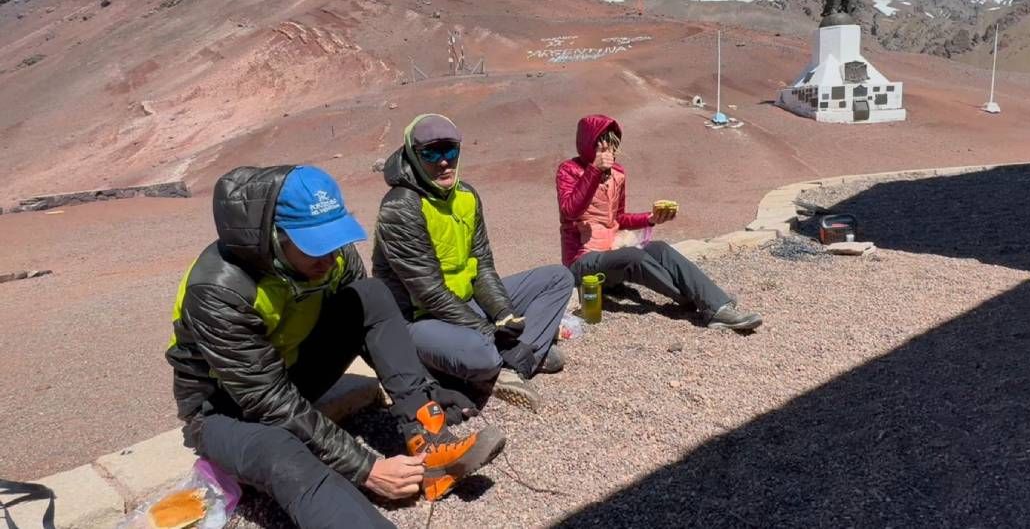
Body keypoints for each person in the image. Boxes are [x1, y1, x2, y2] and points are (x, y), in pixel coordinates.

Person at [166, 165, 506, 528]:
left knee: (371, 295)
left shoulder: (332, 255)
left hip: (290, 372)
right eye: (315, 247)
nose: (330, 259)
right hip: (226, 410)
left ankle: (429, 442)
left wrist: (424, 392)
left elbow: (372, 325)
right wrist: (368, 468)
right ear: (274, 235)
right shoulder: (219, 289)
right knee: (281, 451)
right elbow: (269, 403)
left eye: (333, 241)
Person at [373, 114, 573, 412]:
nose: (444, 162)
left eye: (450, 150)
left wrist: (503, 313)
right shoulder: (400, 207)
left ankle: (515, 361)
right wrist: (491, 332)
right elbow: (428, 293)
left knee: (558, 278)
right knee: (483, 354)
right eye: (431, 153)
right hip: (421, 318)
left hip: (466, 303)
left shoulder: (466, 195)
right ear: (414, 156)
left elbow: (482, 266)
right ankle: (511, 359)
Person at [556, 114, 763, 331]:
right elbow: (570, 211)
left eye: (613, 146)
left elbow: (618, 218)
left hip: (612, 249)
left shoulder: (617, 173)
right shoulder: (568, 170)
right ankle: (705, 301)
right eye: (603, 146)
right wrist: (594, 171)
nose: (610, 153)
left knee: (661, 248)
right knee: (634, 256)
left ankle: (715, 304)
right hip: (583, 261)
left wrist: (650, 218)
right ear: (589, 145)